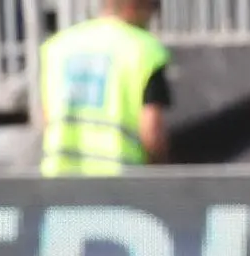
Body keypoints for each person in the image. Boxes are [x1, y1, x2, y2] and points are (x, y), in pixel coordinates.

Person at [39, 0, 171, 177]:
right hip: (119, 184)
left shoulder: (58, 46)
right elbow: (151, 130)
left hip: (59, 183)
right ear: (137, 5)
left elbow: (48, 117)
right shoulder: (146, 50)